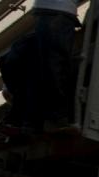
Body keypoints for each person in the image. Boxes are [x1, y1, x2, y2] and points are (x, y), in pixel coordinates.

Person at [32, 0, 80, 130]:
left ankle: (53, 115)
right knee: (55, 64)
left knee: (51, 64)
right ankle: (57, 116)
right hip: (58, 10)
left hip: (52, 10)